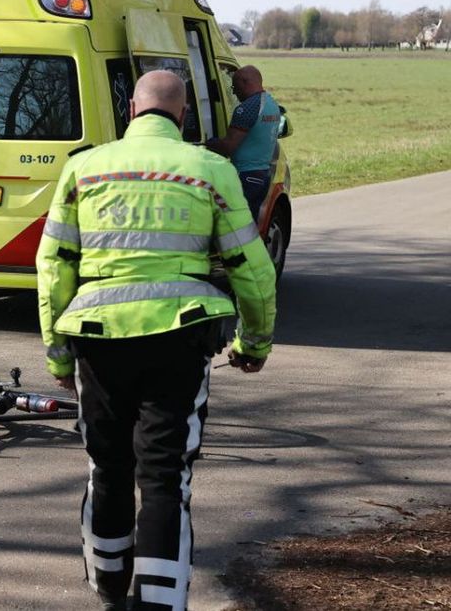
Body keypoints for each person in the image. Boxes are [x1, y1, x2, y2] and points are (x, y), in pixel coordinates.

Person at [36, 71, 277, 611]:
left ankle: (107, 584)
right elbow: (251, 266)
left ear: (130, 110)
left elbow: (53, 266)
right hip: (179, 339)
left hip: (97, 341)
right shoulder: (210, 169)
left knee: (107, 466)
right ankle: (160, 603)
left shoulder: (83, 167)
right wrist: (254, 343)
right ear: (184, 114)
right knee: (166, 478)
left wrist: (56, 350)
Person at [205, 65, 280, 219]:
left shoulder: (247, 109)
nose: (233, 91)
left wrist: (207, 144)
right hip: (263, 176)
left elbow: (228, 146)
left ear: (245, 82)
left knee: (236, 222)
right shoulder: (272, 104)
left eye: (235, 86)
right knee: (250, 222)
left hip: (245, 176)